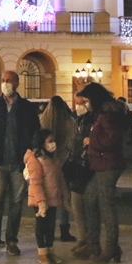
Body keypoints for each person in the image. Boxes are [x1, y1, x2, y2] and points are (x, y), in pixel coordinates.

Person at [0, 71, 41, 258]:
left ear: (16, 83)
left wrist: (30, 151)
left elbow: (35, 131)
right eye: (3, 80)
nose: (5, 83)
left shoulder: (26, 107)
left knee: (16, 203)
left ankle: (12, 240)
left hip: (18, 162)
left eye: (9, 80)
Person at [86, 86, 127, 263]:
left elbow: (112, 139)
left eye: (87, 100)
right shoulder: (102, 114)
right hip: (101, 163)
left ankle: (110, 248)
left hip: (108, 164)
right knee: (89, 198)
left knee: (106, 206)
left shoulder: (108, 115)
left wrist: (91, 141)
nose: (85, 104)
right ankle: (95, 242)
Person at [25, 128, 71, 264]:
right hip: (40, 200)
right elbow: (35, 182)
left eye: (53, 141)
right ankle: (43, 253)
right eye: (49, 141)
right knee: (42, 226)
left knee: (51, 226)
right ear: (41, 142)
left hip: (53, 198)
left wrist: (65, 195)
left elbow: (59, 177)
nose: (53, 144)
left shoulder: (52, 158)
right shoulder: (35, 159)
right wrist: (41, 201)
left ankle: (50, 251)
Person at [39, 95, 77, 242]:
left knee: (46, 196)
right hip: (65, 162)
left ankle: (47, 230)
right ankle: (64, 230)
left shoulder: (43, 120)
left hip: (46, 162)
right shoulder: (70, 122)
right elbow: (73, 142)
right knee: (63, 196)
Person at [69, 90, 98, 259]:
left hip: (90, 164)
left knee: (88, 203)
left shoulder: (94, 118)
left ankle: (89, 241)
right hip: (79, 164)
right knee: (76, 200)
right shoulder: (79, 118)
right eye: (76, 103)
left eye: (80, 103)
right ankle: (83, 238)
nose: (78, 106)